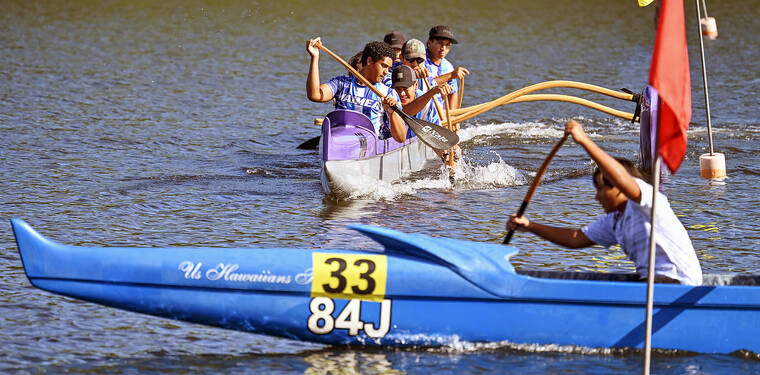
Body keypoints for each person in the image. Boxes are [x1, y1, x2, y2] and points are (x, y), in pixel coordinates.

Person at [506, 120, 703, 286]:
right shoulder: (615, 221)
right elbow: (576, 238)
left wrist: (583, 140)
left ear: (619, 188)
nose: (596, 197)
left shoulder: (647, 201)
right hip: (653, 285)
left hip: (678, 286)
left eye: (601, 189)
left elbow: (620, 178)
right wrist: (530, 226)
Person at [306, 37, 407, 142]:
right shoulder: (341, 84)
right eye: (383, 66)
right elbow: (315, 95)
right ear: (369, 61)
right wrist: (315, 58)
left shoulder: (389, 93)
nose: (386, 72)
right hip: (340, 140)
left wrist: (392, 113)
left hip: (371, 145)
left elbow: (401, 138)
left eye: (388, 68)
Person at [390, 64, 451, 138]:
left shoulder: (427, 101)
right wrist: (432, 92)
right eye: (398, 89)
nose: (402, 94)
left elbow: (437, 131)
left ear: (416, 85)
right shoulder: (390, 98)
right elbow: (404, 113)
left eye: (405, 88)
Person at [424, 25, 469, 110]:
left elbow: (453, 92)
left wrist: (452, 119)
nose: (443, 48)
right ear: (429, 43)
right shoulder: (419, 61)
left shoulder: (448, 66)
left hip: (439, 114)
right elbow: (423, 86)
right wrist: (451, 75)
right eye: (440, 43)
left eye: (447, 45)